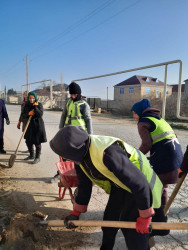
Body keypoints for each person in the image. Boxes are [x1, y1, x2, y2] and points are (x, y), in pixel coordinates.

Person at [50, 125, 169, 250]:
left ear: (74, 150)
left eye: (64, 155)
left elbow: (139, 183)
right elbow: (84, 185)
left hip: (142, 186)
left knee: (134, 231)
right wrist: (76, 212)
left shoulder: (108, 153)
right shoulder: (81, 158)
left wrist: (145, 217)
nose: (64, 158)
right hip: (121, 185)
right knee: (109, 222)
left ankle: (148, 236)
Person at [131, 99, 183, 208]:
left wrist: (135, 156)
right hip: (177, 157)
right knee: (163, 186)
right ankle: (163, 212)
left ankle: (155, 215)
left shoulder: (143, 122)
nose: (133, 116)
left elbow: (146, 145)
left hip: (165, 159)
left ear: (139, 112)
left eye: (134, 113)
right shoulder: (159, 119)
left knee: (153, 187)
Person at [51, 81, 93, 182]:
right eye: (71, 94)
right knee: (64, 153)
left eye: (75, 94)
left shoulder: (84, 105)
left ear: (79, 94)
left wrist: (90, 134)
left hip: (79, 134)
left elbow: (88, 119)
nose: (73, 96)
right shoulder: (68, 102)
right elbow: (64, 115)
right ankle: (60, 173)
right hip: (67, 132)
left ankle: (79, 174)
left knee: (77, 155)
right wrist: (61, 127)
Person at [21, 91, 47, 164]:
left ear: (35, 98)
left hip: (38, 126)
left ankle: (37, 157)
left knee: (37, 142)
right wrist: (28, 113)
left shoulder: (39, 104)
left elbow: (40, 114)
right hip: (29, 126)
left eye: (33, 98)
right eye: (30, 98)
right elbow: (23, 115)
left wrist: (35, 107)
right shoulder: (26, 105)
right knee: (28, 141)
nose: (31, 100)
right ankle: (31, 155)